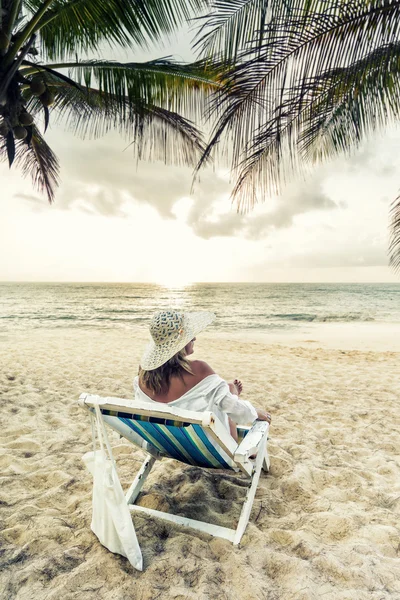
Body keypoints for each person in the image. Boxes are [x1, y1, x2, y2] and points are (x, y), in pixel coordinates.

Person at [134, 310, 271, 448]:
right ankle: (231, 393)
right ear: (180, 343)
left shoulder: (143, 376)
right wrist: (256, 412)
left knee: (222, 392)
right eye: (189, 334)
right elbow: (232, 408)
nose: (194, 338)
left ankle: (229, 391)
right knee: (226, 399)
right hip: (210, 448)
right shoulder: (199, 369)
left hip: (170, 445)